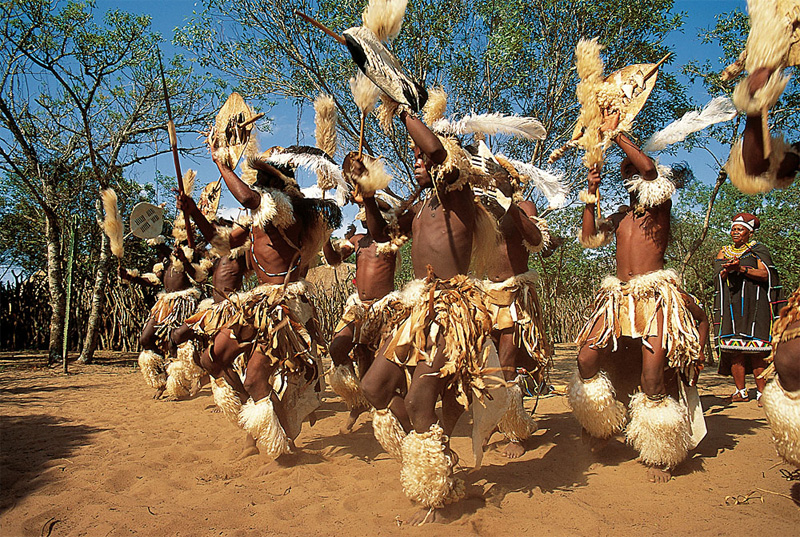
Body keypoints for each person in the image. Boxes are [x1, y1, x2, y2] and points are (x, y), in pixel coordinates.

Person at [357, 109, 500, 525]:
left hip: (450, 309)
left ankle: (440, 490)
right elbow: (380, 231)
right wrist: (365, 190)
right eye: (415, 159)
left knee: (421, 402)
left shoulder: (459, 196)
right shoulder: (420, 206)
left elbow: (438, 153)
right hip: (418, 308)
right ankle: (433, 449)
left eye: (421, 159)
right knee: (373, 386)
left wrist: (404, 110)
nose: (417, 163)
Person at [571, 113, 708, 484]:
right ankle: (604, 426)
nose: (630, 177)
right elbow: (589, 236)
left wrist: (616, 133)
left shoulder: (659, 206)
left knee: (652, 377)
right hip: (619, 297)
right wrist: (591, 191)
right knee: (586, 358)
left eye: (631, 171)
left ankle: (661, 453)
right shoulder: (622, 216)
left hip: (655, 297)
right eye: (625, 174)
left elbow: (650, 170)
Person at [196, 147, 341, 469]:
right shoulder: (260, 217)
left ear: (273, 183)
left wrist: (221, 165)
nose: (256, 185)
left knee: (255, 379)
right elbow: (221, 243)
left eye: (260, 179)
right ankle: (257, 428)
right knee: (212, 359)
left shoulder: (282, 209)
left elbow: (249, 200)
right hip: (258, 302)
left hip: (283, 305)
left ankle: (281, 442)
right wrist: (191, 210)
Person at [478, 181, 551, 459]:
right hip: (486, 296)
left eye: (496, 181)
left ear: (511, 183)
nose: (490, 185)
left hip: (513, 296)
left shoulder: (524, 207)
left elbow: (535, 240)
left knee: (508, 365)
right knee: (486, 366)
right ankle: (493, 421)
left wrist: (509, 207)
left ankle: (515, 432)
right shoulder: (482, 212)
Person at [322, 190, 401, 433]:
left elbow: (385, 209)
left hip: (384, 308)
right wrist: (324, 236)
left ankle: (381, 408)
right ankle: (357, 400)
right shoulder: (356, 240)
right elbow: (334, 259)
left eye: (368, 215)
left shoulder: (389, 238)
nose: (364, 219)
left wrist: (367, 196)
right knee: (337, 348)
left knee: (372, 360)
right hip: (357, 307)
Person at [120, 236, 209, 399]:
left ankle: (179, 386)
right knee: (145, 339)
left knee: (175, 343)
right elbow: (153, 281)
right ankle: (161, 380)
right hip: (164, 304)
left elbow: (196, 275)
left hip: (183, 302)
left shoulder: (191, 256)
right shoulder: (166, 263)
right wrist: (131, 277)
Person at [713, 212, 781, 405]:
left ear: (749, 233)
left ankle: (762, 394)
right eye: (733, 229)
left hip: (755, 303)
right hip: (732, 305)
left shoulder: (758, 250)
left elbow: (766, 275)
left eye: (740, 229)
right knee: (735, 350)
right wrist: (726, 270)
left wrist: (742, 269)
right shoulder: (724, 251)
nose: (735, 232)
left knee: (757, 349)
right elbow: (717, 278)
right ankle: (740, 391)